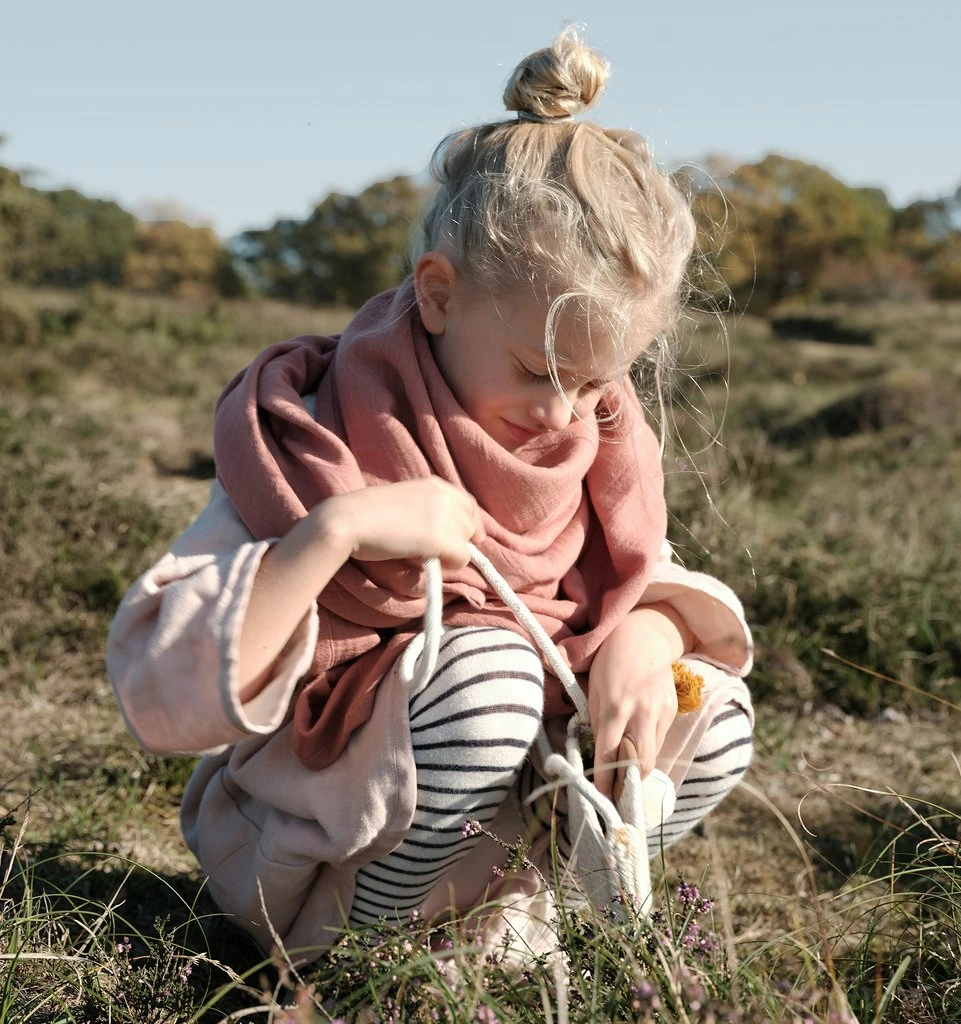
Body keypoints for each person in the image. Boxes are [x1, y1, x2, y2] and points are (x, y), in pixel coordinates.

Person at [107, 30, 754, 957]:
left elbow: (642, 582)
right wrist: (338, 530)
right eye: (538, 368)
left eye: (597, 381)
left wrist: (647, 638)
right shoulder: (318, 436)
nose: (563, 410)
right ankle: (352, 975)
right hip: (309, 862)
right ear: (439, 294)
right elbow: (157, 695)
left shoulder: (587, 435)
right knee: (489, 682)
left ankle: (515, 944)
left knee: (709, 706)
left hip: (494, 871)